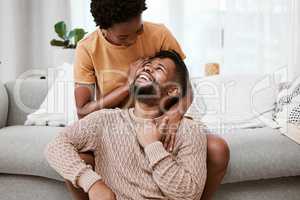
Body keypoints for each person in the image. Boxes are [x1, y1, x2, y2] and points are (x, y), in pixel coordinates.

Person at [73, 0, 230, 199]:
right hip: (117, 125)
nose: (133, 40)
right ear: (103, 28)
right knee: (78, 161)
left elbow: (184, 86)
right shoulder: (87, 48)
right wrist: (128, 86)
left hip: (161, 116)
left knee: (218, 149)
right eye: (124, 37)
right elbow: (83, 111)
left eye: (138, 31)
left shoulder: (159, 33)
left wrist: (174, 116)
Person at [46, 50, 207, 200]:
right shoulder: (105, 120)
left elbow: (189, 195)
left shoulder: (189, 130)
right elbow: (56, 145)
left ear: (173, 90)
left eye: (159, 69)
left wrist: (153, 146)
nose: (148, 70)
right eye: (147, 66)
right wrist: (92, 183)